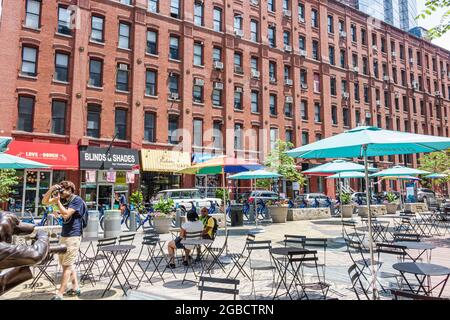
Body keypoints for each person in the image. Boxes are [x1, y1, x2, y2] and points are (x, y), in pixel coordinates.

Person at [42, 180, 87, 300]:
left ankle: (60, 294)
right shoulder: (61, 199)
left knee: (67, 266)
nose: (61, 192)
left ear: (71, 190)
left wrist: (57, 203)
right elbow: (44, 202)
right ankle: (75, 288)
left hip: (73, 235)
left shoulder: (76, 200)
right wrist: (51, 190)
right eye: (60, 189)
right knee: (65, 264)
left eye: (64, 190)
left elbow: (67, 214)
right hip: (64, 234)